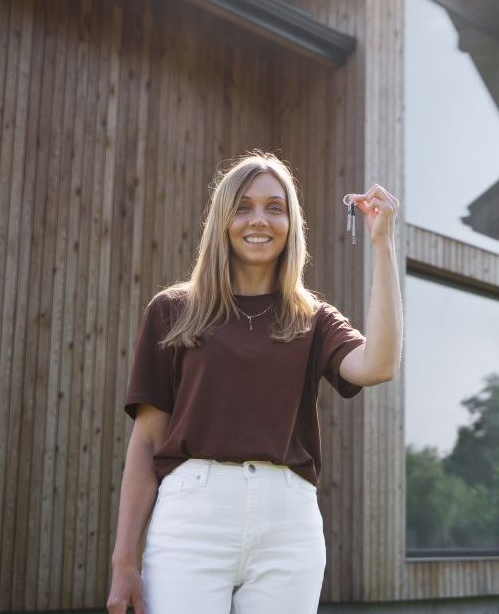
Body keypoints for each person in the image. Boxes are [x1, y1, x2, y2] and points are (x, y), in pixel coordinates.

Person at [105, 151, 402, 613]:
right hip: (191, 522)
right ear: (222, 220)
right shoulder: (172, 310)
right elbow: (146, 440)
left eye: (274, 207)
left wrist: (383, 246)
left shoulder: (314, 319)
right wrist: (124, 561)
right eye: (243, 206)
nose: (258, 219)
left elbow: (378, 365)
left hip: (289, 527)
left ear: (292, 224)